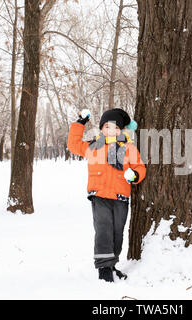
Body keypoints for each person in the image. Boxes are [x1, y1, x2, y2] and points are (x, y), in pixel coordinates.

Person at [67, 108, 146, 282]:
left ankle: (112, 264)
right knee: (103, 229)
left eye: (116, 128)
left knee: (117, 232)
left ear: (122, 130)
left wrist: (135, 175)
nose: (112, 131)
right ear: (102, 128)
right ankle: (103, 267)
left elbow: (140, 167)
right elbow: (73, 145)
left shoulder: (129, 148)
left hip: (120, 197)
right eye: (108, 127)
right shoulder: (94, 146)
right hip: (100, 195)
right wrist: (80, 123)